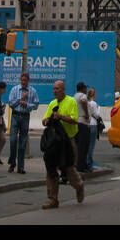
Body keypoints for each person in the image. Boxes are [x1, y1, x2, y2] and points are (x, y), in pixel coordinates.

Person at [41, 78, 84, 209]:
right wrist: (47, 120)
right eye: (53, 89)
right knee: (51, 169)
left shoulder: (71, 102)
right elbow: (44, 120)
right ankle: (53, 199)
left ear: (63, 90)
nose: (55, 91)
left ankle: (79, 185)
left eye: (57, 88)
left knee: (69, 168)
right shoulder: (52, 103)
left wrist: (60, 117)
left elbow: (74, 119)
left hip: (68, 141)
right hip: (54, 142)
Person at [8, 71, 39, 174]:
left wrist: (27, 105)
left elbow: (36, 105)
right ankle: (12, 162)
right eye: (22, 80)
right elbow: (11, 103)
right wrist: (19, 99)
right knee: (12, 140)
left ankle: (20, 167)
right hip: (15, 115)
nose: (23, 82)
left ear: (28, 81)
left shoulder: (32, 91)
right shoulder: (15, 89)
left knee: (22, 144)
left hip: (25, 116)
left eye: (25, 80)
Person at [74, 81, 90, 173]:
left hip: (76, 122)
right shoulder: (82, 96)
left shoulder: (74, 96)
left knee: (77, 145)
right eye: (85, 88)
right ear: (83, 89)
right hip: (83, 123)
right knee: (83, 146)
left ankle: (76, 164)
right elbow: (83, 101)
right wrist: (86, 113)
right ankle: (81, 166)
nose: (86, 90)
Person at [85, 87, 102, 172]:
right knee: (91, 146)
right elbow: (97, 115)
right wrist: (99, 108)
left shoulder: (86, 103)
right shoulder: (94, 103)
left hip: (87, 124)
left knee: (87, 145)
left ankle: (86, 162)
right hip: (93, 125)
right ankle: (89, 164)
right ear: (94, 95)